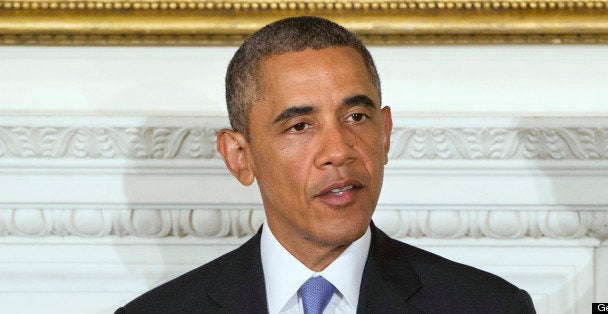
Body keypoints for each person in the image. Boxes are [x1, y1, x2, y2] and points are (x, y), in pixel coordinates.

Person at [116, 16, 536, 314]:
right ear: (239, 157)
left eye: (356, 117)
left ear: (385, 133)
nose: (339, 151)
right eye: (300, 125)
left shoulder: (491, 306)